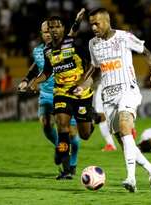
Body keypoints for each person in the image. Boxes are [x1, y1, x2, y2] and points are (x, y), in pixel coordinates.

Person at [82, 8, 151, 192]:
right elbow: (95, 70)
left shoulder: (124, 37)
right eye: (91, 24)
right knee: (125, 141)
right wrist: (83, 86)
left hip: (128, 90)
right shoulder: (93, 43)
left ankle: (131, 179)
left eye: (97, 23)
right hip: (108, 96)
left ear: (107, 21)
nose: (94, 27)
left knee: (126, 127)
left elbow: (146, 52)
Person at [27, 14, 104, 179]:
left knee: (84, 134)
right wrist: (35, 81)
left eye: (57, 27)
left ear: (63, 28)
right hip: (61, 92)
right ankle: (67, 168)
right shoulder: (47, 50)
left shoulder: (75, 44)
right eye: (51, 27)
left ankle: (91, 119)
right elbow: (47, 71)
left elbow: (92, 64)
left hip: (80, 93)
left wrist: (84, 82)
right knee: (62, 126)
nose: (53, 30)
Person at [18, 18, 83, 179]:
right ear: (41, 33)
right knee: (46, 125)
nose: (48, 34)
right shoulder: (39, 51)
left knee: (73, 136)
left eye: (50, 30)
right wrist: (26, 80)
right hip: (47, 94)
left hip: (65, 93)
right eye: (45, 31)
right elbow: (37, 66)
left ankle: (71, 163)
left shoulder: (66, 45)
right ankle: (60, 148)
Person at [94, 83, 117, 151]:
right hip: (104, 85)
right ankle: (110, 144)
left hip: (114, 85)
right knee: (101, 116)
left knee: (119, 113)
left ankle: (130, 131)